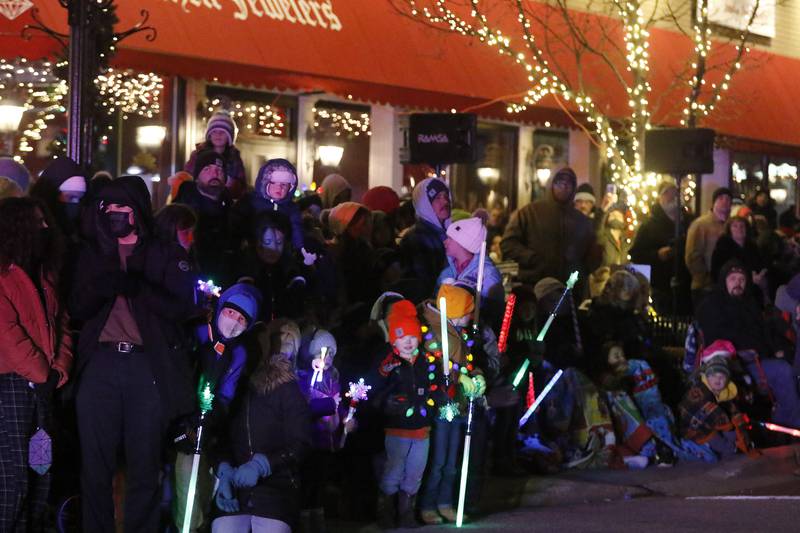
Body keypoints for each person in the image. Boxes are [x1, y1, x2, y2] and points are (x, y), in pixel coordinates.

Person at [70, 176, 199, 531]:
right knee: (95, 466)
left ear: (137, 211)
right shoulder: (93, 253)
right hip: (101, 363)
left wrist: (139, 288)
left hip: (147, 366)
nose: (115, 215)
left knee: (144, 465)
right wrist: (105, 281)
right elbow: (77, 306)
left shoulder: (164, 253)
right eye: (108, 209)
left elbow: (184, 307)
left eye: (122, 208)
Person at [0, 197, 73, 532]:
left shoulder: (43, 274)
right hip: (12, 387)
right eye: (38, 222)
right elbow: (7, 333)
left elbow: (60, 324)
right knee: (13, 475)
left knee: (40, 467)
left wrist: (59, 369)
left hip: (41, 389)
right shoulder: (4, 275)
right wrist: (43, 373)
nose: (46, 228)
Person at [173, 282, 262, 532]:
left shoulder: (238, 353)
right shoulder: (197, 332)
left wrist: (209, 416)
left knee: (194, 486)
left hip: (200, 427)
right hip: (173, 412)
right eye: (231, 313)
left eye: (242, 319)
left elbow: (226, 393)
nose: (233, 322)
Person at [210, 319, 312, 533]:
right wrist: (224, 470)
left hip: (276, 489)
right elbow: (220, 437)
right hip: (236, 489)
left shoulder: (287, 389)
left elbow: (300, 442)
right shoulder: (234, 389)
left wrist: (263, 464)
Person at [696, 260, 800, 428]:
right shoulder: (712, 305)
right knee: (783, 371)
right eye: (733, 279)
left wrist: (777, 349)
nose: (738, 283)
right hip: (730, 365)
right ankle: (792, 424)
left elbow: (764, 332)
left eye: (742, 279)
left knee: (792, 363)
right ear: (724, 280)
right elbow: (716, 339)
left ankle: (783, 422)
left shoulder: (749, 304)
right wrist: (744, 352)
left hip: (757, 359)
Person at [417, 284, 487, 525]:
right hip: (441, 405)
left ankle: (445, 502)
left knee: (452, 461)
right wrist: (460, 377)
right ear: (456, 311)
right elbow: (437, 365)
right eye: (468, 311)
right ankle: (427, 504)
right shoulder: (433, 334)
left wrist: (476, 374)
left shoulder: (461, 334)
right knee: (437, 460)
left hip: (459, 405)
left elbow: (468, 362)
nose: (470, 316)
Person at [374, 299, 438, 528]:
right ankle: (387, 509)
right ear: (394, 339)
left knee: (415, 471)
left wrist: (437, 403)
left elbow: (435, 387)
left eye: (412, 336)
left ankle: (406, 510)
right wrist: (386, 402)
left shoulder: (426, 361)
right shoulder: (390, 364)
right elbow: (376, 389)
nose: (408, 342)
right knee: (394, 469)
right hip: (398, 428)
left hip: (422, 427)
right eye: (402, 337)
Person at [501, 167, 600, 295]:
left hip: (570, 292)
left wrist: (579, 272)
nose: (564, 186)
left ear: (573, 187)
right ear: (551, 184)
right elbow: (508, 244)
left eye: (568, 183)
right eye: (560, 182)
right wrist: (532, 258)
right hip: (533, 288)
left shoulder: (582, 222)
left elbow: (593, 255)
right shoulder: (530, 213)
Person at [296, 329, 345, 532]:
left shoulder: (332, 380)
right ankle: (305, 519)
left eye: (331, 354)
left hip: (327, 440)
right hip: (311, 440)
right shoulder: (305, 379)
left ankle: (318, 516)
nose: (327, 358)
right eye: (323, 354)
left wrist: (344, 418)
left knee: (320, 481)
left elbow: (338, 405)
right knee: (308, 481)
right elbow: (306, 406)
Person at [629, 181, 692, 315]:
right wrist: (657, 255)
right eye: (667, 193)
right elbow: (636, 254)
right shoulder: (649, 225)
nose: (672, 196)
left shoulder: (688, 222)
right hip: (660, 287)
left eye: (675, 192)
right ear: (660, 198)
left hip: (685, 287)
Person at [175, 149, 235, 284]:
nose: (214, 174)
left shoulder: (233, 211)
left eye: (219, 170)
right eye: (207, 169)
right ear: (197, 176)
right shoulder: (180, 211)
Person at [678, 355, 753, 459]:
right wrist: (726, 423)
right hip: (694, 427)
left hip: (714, 423)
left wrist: (739, 427)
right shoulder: (699, 391)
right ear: (707, 377)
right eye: (713, 376)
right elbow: (705, 410)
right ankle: (728, 450)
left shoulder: (725, 392)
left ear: (727, 380)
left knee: (733, 432)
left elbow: (733, 410)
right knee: (719, 442)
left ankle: (736, 446)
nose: (717, 379)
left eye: (722, 377)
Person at [435, 216, 504, 330]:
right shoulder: (447, 270)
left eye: (449, 238)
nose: (445, 242)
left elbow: (494, 310)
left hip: (474, 336)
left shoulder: (487, 274)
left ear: (462, 243)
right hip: (449, 334)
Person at [234, 158, 308, 258]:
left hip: (281, 252)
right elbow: (238, 220)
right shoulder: (251, 201)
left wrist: (299, 248)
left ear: (291, 187)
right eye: (274, 183)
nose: (279, 188)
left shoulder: (291, 208)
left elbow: (296, 228)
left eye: (284, 184)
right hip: (253, 249)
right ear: (265, 183)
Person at [399, 177, 452, 297]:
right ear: (425, 204)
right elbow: (423, 284)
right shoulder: (416, 238)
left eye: (446, 196)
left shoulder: (447, 233)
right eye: (437, 198)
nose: (445, 202)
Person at [685, 187, 732, 308]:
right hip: (706, 287)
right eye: (721, 198)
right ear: (713, 202)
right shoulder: (700, 225)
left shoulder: (732, 225)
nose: (725, 202)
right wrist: (706, 279)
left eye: (728, 199)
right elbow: (692, 255)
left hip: (727, 287)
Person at [185, 111, 247, 200]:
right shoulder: (198, 155)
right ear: (209, 135)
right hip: (198, 202)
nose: (218, 135)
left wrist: (229, 182)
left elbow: (241, 189)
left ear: (230, 136)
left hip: (224, 204)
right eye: (214, 132)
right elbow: (187, 179)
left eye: (223, 132)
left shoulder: (234, 158)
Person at [710, 215, 767, 293]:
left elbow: (760, 266)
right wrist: (749, 278)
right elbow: (717, 273)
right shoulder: (722, 248)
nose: (739, 229)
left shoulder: (753, 247)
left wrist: (761, 277)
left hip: (753, 292)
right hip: (730, 292)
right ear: (729, 230)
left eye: (742, 226)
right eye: (735, 226)